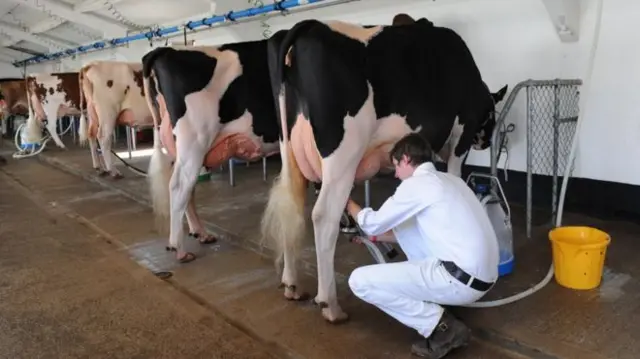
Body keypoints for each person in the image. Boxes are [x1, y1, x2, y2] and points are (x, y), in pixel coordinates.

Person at [345, 133, 499, 359]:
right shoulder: (451, 180)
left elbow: (373, 222)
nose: (396, 175)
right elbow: (408, 232)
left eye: (396, 166)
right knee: (409, 225)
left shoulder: (417, 185)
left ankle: (441, 328)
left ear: (406, 159)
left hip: (459, 280)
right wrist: (374, 239)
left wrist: (347, 203)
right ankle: (442, 303)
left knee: (358, 281)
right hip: (483, 277)